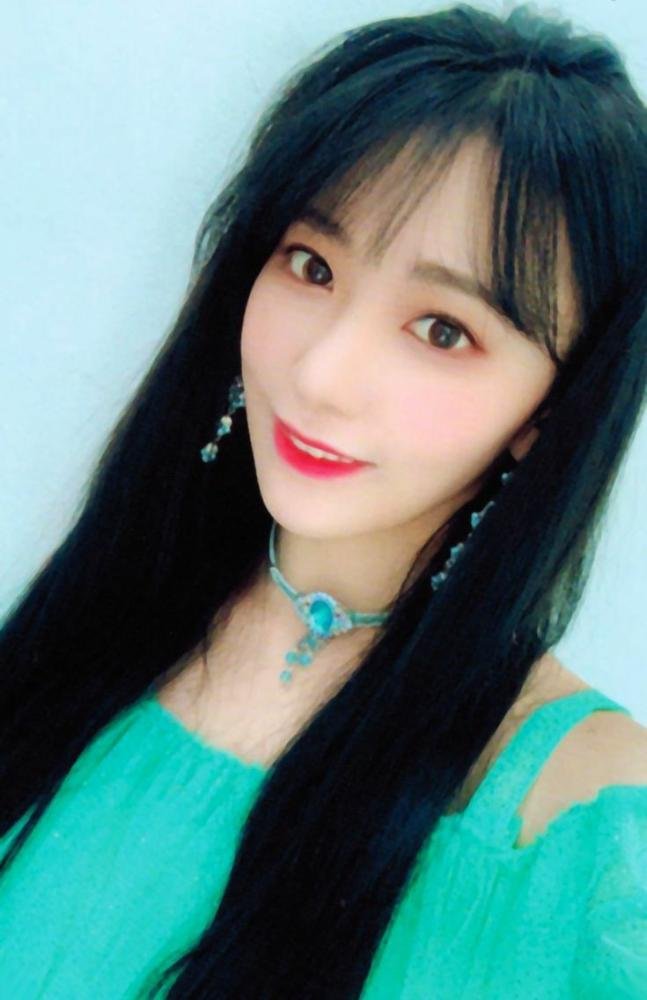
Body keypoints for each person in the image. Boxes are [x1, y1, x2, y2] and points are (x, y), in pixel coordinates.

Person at [0, 3, 645, 997]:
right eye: (312, 265)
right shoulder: (97, 621)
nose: (321, 372)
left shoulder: (588, 839)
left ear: (550, 411)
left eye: (441, 330)